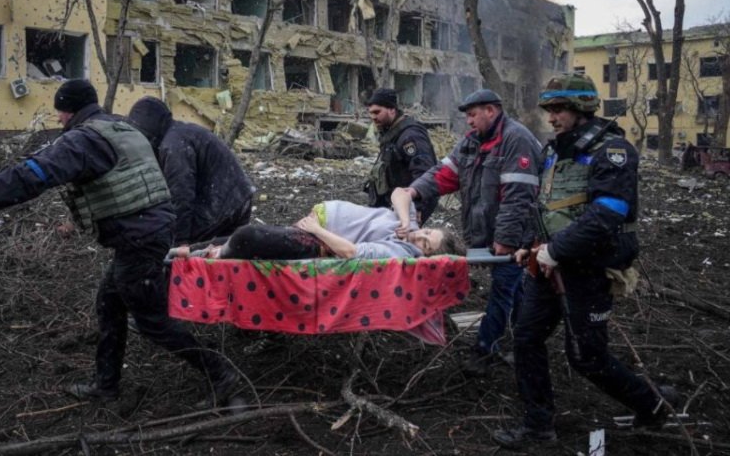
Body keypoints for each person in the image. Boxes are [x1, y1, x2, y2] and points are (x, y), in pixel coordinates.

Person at [0, 80, 240, 406]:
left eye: (59, 111)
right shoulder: (118, 126)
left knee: (152, 320)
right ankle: (106, 385)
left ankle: (221, 373)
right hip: (147, 231)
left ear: (69, 111)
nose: (57, 119)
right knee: (109, 303)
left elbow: (31, 176)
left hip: (139, 237)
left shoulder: (83, 141)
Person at [493, 73, 677, 448]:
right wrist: (531, 245)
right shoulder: (555, 150)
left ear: (581, 108)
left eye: (559, 109)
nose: (552, 116)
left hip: (587, 269)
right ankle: (538, 427)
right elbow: (546, 206)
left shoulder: (612, 151)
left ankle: (653, 405)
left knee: (587, 358)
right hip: (547, 265)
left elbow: (608, 212)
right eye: (549, 109)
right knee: (526, 337)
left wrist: (555, 250)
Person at [398, 88, 542, 375]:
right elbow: (443, 174)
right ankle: (526, 338)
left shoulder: (517, 140)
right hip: (488, 233)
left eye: (473, 115)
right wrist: (413, 191)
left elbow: (518, 197)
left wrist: (506, 240)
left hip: (515, 235)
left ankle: (485, 349)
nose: (469, 122)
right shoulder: (471, 143)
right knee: (514, 289)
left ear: (491, 110)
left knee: (502, 289)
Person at [189, 189, 462, 261]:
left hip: (319, 240)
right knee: (244, 237)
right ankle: (184, 249)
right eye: (427, 233)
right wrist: (406, 220)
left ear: (425, 256)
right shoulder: (410, 227)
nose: (419, 238)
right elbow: (400, 193)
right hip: (317, 222)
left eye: (426, 245)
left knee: (246, 237)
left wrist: (317, 230)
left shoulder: (401, 252)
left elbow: (351, 253)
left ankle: (210, 255)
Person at [128, 96, 255, 245]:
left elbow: (181, 195)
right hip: (236, 197)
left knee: (189, 250)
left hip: (224, 203)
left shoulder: (173, 145)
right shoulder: (179, 133)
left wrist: (180, 242)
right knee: (221, 255)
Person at [363, 88, 439, 224]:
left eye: (377, 112)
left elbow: (424, 172)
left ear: (392, 109)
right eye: (370, 113)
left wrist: (417, 207)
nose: (373, 117)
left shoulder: (410, 136)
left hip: (409, 204)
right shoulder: (391, 133)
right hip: (395, 203)